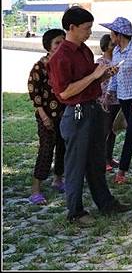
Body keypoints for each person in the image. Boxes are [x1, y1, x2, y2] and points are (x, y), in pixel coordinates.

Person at [48, 6, 130, 227]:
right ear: (71, 28)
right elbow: (64, 92)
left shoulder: (83, 50)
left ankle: (105, 202)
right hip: (76, 112)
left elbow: (90, 81)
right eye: (86, 28)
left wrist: (103, 75)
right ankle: (75, 211)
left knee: (96, 160)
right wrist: (95, 74)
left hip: (93, 108)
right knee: (76, 164)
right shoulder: (61, 56)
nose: (88, 32)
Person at [101, 17, 132, 184]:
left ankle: (122, 170)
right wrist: (109, 93)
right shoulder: (116, 52)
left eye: (112, 34)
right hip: (123, 98)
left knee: (131, 133)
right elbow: (114, 75)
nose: (111, 37)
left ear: (120, 35)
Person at [28, 29, 67, 206]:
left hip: (64, 114)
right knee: (46, 150)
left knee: (62, 148)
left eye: (63, 42)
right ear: (48, 46)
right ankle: (36, 190)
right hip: (46, 116)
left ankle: (58, 180)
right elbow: (34, 93)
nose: (61, 45)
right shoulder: (39, 66)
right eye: (57, 43)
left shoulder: (64, 64)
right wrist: (44, 117)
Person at [97, 34, 121, 173]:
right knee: (105, 131)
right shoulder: (101, 62)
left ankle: (109, 157)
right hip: (105, 101)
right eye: (112, 45)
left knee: (113, 130)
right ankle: (103, 160)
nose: (115, 47)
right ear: (105, 46)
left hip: (117, 99)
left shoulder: (117, 60)